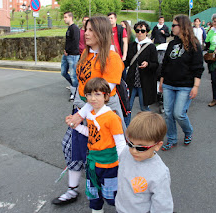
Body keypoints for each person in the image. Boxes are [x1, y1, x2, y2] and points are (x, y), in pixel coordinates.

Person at [52, 16, 125, 206]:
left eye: (91, 30)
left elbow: (101, 96)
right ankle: (73, 190)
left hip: (104, 114)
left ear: (102, 32)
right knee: (72, 148)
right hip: (83, 108)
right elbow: (81, 82)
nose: (86, 33)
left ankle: (122, 197)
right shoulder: (86, 53)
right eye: (86, 29)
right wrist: (77, 107)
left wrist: (79, 115)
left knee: (113, 154)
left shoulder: (112, 58)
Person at [74, 77, 125, 213]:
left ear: (106, 96)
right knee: (94, 195)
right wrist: (77, 127)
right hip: (93, 163)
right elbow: (92, 134)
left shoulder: (112, 117)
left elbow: (120, 141)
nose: (93, 98)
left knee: (113, 196)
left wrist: (123, 161)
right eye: (89, 94)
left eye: (97, 94)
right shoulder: (90, 114)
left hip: (109, 165)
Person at [159, 15, 204, 151]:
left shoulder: (194, 44)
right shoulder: (172, 43)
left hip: (185, 85)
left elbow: (198, 67)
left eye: (174, 25)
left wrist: (195, 87)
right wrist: (161, 81)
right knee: (168, 113)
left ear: (182, 27)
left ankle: (188, 131)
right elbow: (165, 64)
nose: (171, 28)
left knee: (179, 113)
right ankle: (172, 139)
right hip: (168, 84)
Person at [115, 111, 173, 213]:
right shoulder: (125, 152)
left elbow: (162, 206)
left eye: (141, 148)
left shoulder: (160, 173)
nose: (133, 150)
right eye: (130, 144)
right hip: (121, 208)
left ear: (157, 145)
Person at [124, 21, 159, 126]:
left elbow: (156, 64)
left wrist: (148, 64)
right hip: (132, 81)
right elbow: (127, 61)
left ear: (147, 32)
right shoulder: (132, 45)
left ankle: (150, 126)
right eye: (137, 31)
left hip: (145, 82)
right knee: (127, 106)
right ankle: (126, 130)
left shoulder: (151, 47)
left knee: (144, 106)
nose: (140, 33)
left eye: (142, 31)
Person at [61, 11, 80, 101]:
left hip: (73, 55)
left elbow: (75, 42)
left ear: (70, 17)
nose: (64, 19)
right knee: (63, 72)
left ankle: (75, 92)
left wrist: (68, 51)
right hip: (67, 54)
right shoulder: (69, 28)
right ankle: (74, 86)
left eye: (65, 17)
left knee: (73, 75)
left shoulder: (75, 28)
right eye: (64, 17)